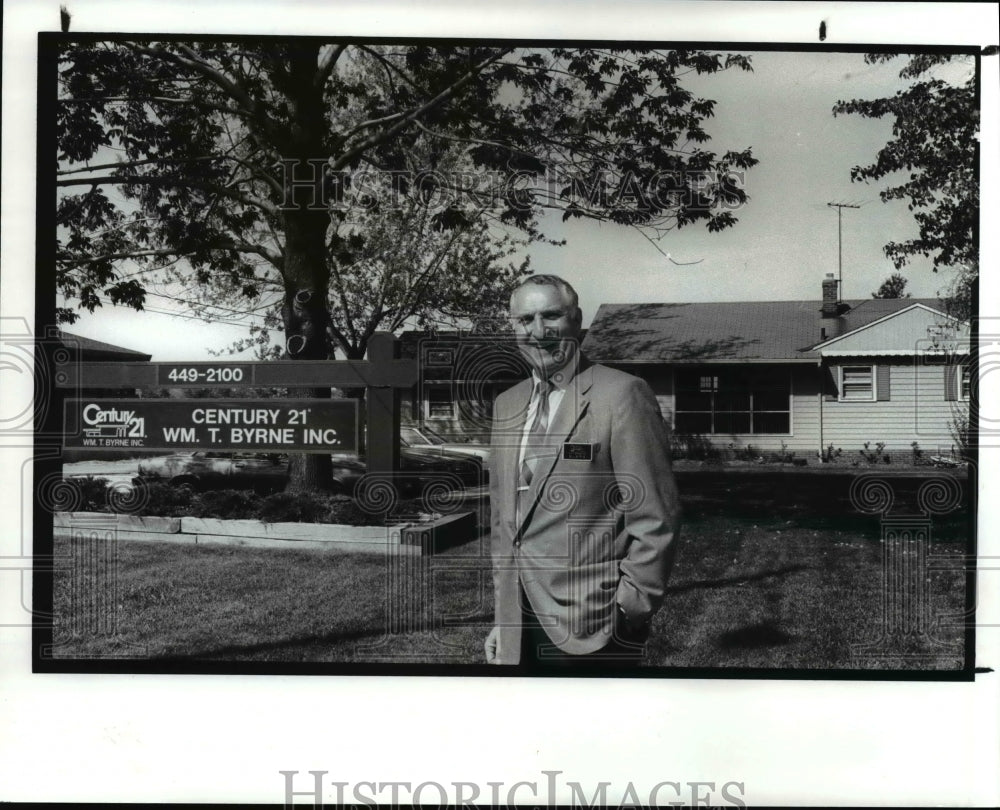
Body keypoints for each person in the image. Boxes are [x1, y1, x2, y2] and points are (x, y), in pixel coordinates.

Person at [485, 274, 681, 668]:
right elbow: (504, 522)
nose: (538, 332)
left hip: (594, 625)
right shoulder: (507, 404)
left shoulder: (621, 394)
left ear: (576, 320)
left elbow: (656, 517)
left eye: (551, 316)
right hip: (518, 622)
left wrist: (630, 608)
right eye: (526, 320)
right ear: (513, 327)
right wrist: (503, 620)